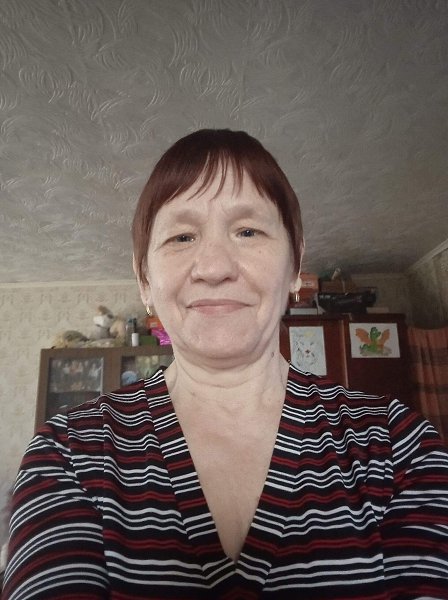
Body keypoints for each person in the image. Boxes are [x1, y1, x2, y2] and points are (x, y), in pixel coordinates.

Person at [3, 129, 448, 599]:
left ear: (294, 264)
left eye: (248, 231)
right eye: (182, 236)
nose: (214, 267)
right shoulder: (69, 454)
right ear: (144, 279)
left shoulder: (398, 445)